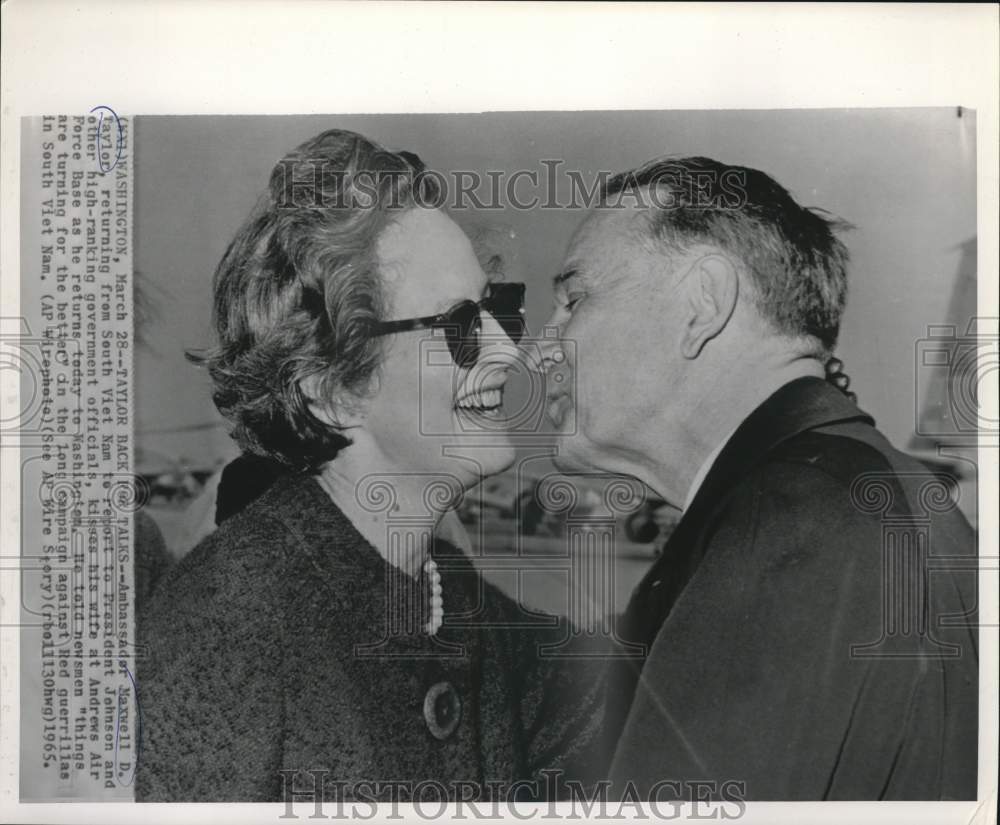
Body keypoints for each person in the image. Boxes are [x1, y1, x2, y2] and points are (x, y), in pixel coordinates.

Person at [136, 130, 603, 802]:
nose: (507, 354)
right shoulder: (222, 625)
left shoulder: (460, 602)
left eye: (500, 312)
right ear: (334, 388)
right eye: (462, 326)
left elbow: (648, 693)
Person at [532, 156, 978, 800]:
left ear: (701, 304)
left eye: (575, 299)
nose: (543, 344)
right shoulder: (851, 492)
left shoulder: (796, 520)